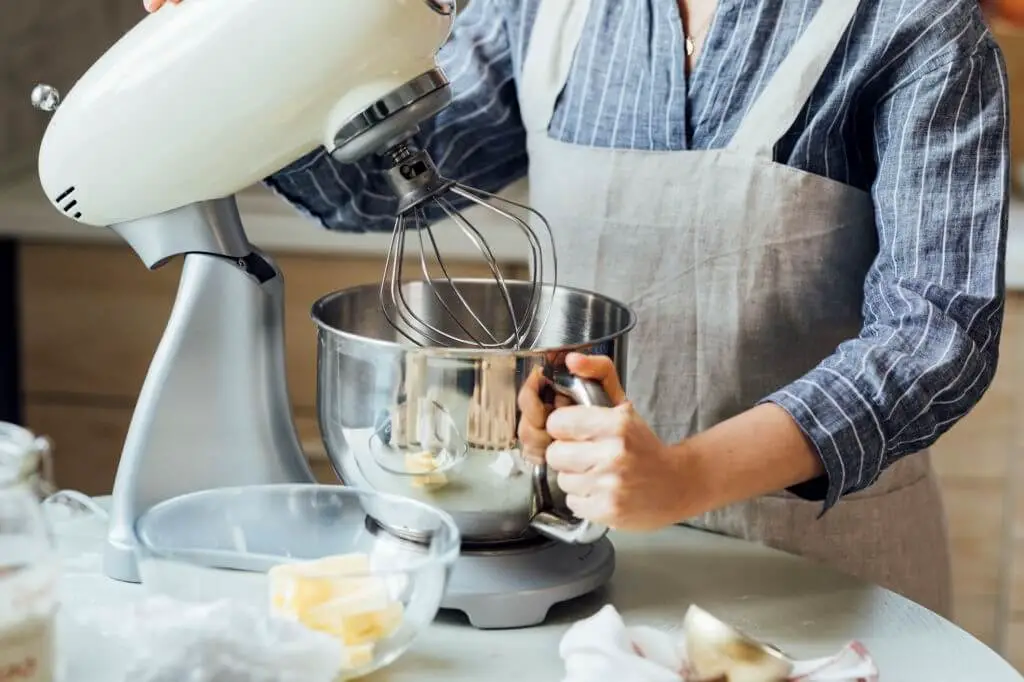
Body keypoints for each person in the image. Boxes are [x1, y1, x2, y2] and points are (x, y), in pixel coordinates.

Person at [145, 0, 1009, 617]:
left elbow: (936, 333)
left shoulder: (917, 26)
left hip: (821, 574)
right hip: (577, 563)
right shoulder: (543, 10)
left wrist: (683, 477)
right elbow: (376, 188)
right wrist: (238, 72)